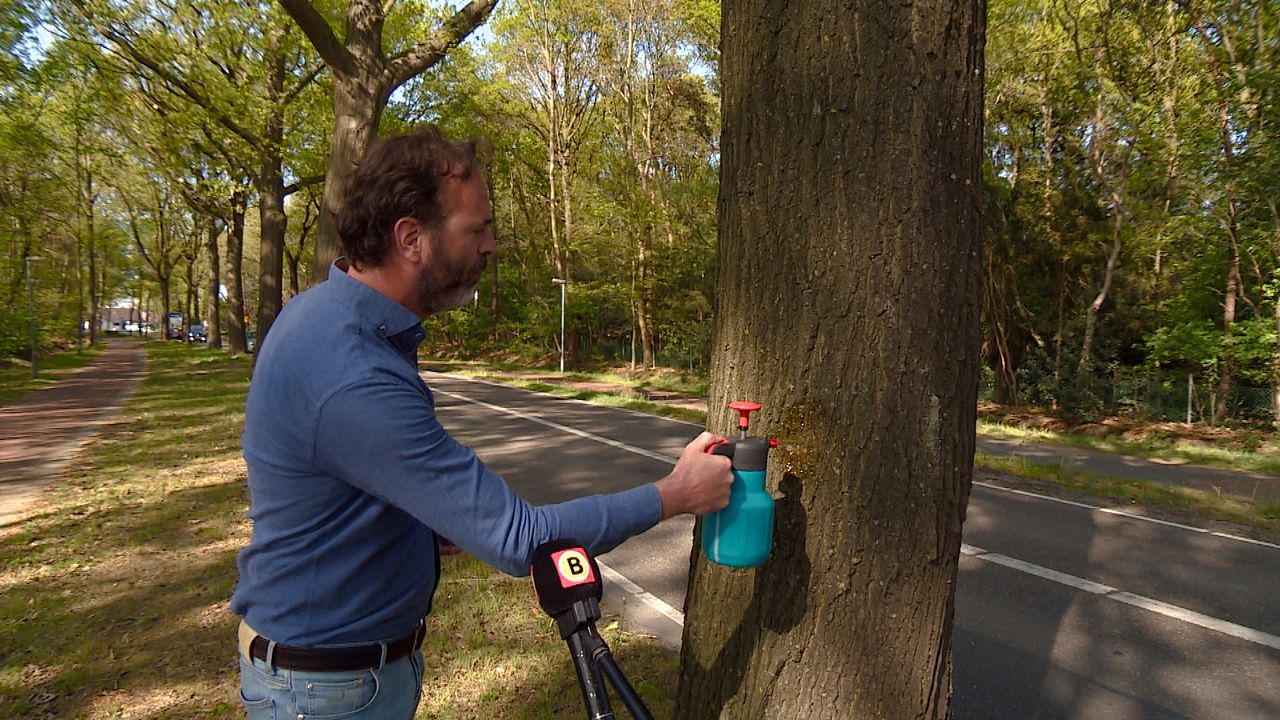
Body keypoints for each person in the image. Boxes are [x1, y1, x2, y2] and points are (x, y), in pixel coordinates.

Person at [230, 127, 733, 719]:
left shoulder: (335, 317)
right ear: (411, 238)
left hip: (333, 675)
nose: (491, 245)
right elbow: (520, 540)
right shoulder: (353, 371)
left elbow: (345, 482)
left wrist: (418, 529)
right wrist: (674, 495)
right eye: (477, 229)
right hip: (324, 693)